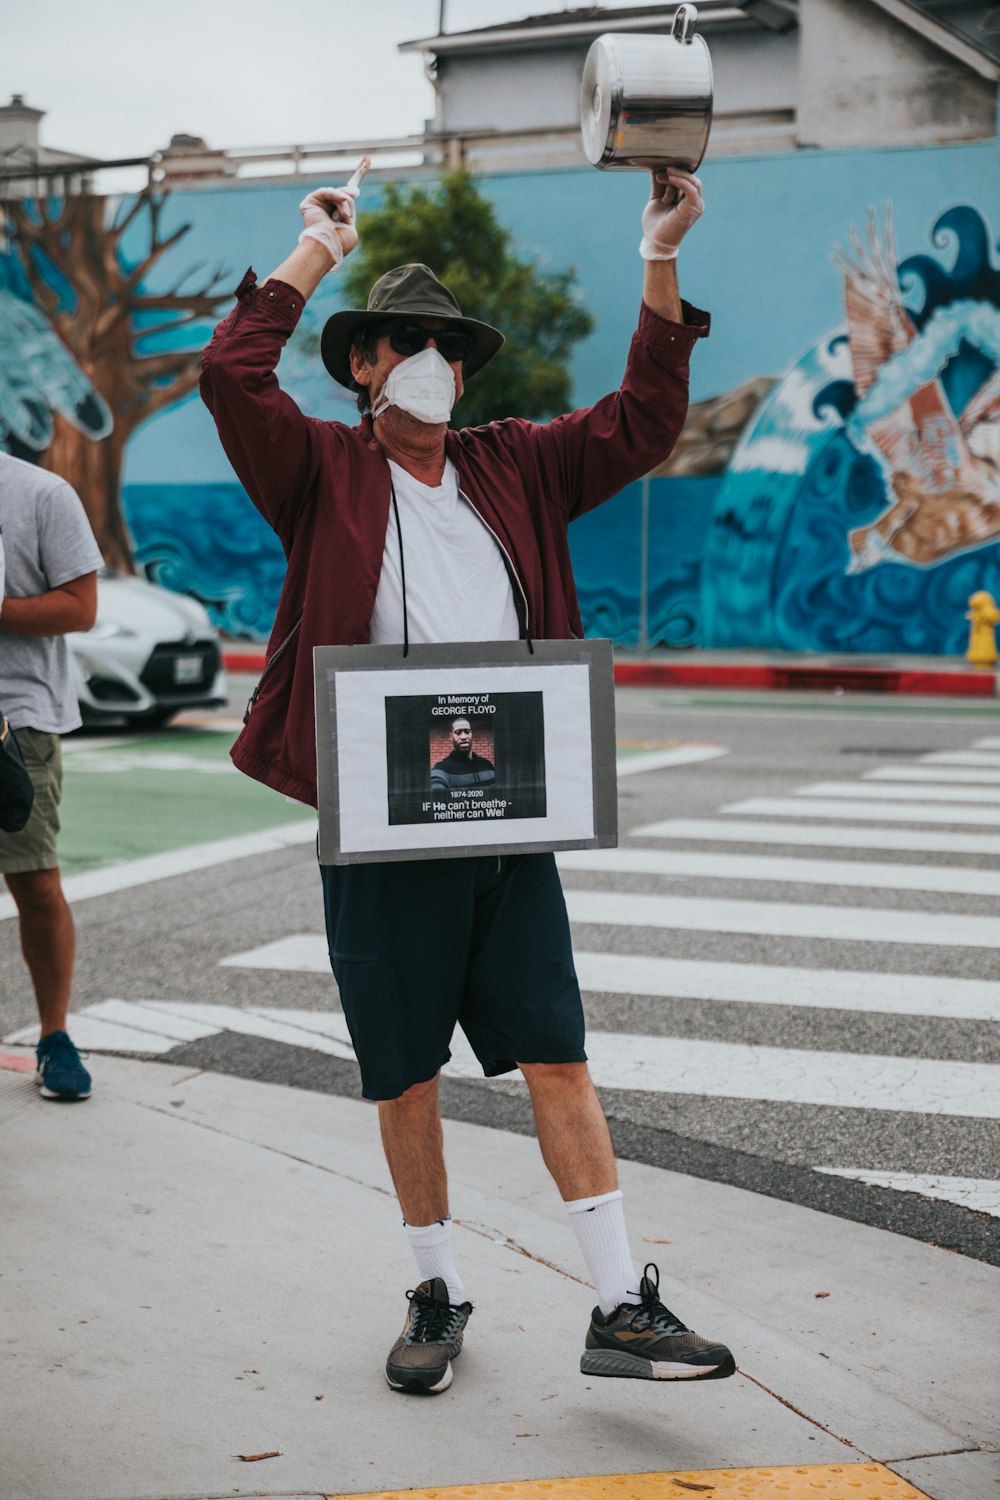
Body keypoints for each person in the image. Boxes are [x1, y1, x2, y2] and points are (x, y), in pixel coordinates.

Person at [201, 167, 735, 1394]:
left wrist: (658, 258)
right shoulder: (320, 472)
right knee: (404, 1068)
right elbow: (230, 377)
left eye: (449, 345)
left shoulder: (521, 466)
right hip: (384, 822)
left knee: (556, 1051)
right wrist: (311, 256)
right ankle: (435, 1294)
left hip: (509, 817)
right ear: (363, 367)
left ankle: (618, 1304)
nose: (434, 361)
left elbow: (644, 421)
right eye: (410, 345)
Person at [0, 451, 102, 1101]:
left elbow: (81, 606)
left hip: (18, 718)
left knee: (35, 882)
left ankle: (55, 1035)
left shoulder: (40, 493)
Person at [431, 717, 495, 796]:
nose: (463, 737)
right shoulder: (442, 770)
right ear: (451, 737)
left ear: (471, 734)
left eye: (467, 732)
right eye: (458, 732)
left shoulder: (487, 765)